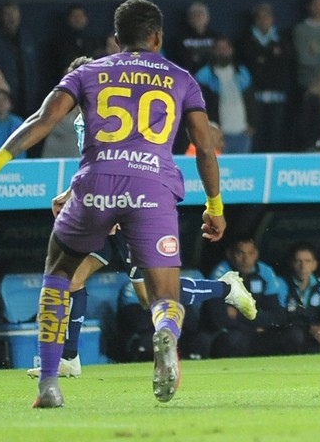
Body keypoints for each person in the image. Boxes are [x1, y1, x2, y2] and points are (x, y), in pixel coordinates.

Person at [0, 0, 235, 408]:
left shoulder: (89, 71)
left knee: (58, 275)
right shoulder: (181, 78)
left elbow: (41, 121)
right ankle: (166, 337)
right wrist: (215, 207)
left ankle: (50, 381)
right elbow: (205, 149)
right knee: (163, 297)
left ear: (117, 39)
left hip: (96, 183)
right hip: (152, 190)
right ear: (157, 37)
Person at [27, 55, 254, 379]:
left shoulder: (113, 113)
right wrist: (72, 194)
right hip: (104, 212)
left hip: (133, 210)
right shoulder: (83, 120)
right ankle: (70, 358)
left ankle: (225, 289)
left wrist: (117, 203)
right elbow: (96, 166)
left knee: (151, 298)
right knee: (73, 278)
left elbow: (125, 161)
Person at [204, 237, 289, 357]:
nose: (246, 259)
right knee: (235, 339)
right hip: (232, 334)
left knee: (289, 335)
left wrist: (238, 314)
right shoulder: (220, 274)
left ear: (256, 254)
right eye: (240, 253)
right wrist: (254, 326)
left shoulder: (265, 272)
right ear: (230, 254)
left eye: (250, 253)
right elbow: (218, 319)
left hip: (259, 331)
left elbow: (277, 316)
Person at [238, 2, 294, 153]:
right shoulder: (245, 40)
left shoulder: (282, 40)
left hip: (278, 97)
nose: (264, 20)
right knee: (257, 135)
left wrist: (263, 59)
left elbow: (284, 63)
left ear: (272, 19)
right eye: (260, 17)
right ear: (255, 20)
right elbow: (249, 64)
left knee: (275, 135)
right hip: (255, 98)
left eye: (267, 17)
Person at [278, 242, 320, 354]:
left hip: (318, 331)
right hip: (295, 332)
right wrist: (310, 328)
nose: (303, 266)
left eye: (307, 261)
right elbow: (280, 316)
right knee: (295, 335)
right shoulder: (282, 284)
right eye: (298, 261)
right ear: (291, 263)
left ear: (314, 265)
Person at [193, 37, 256, 154]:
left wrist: (252, 123)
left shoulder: (242, 73)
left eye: (225, 48)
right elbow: (198, 106)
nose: (222, 51)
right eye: (219, 49)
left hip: (242, 132)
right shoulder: (203, 75)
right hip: (218, 135)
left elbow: (251, 100)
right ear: (213, 51)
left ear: (231, 50)